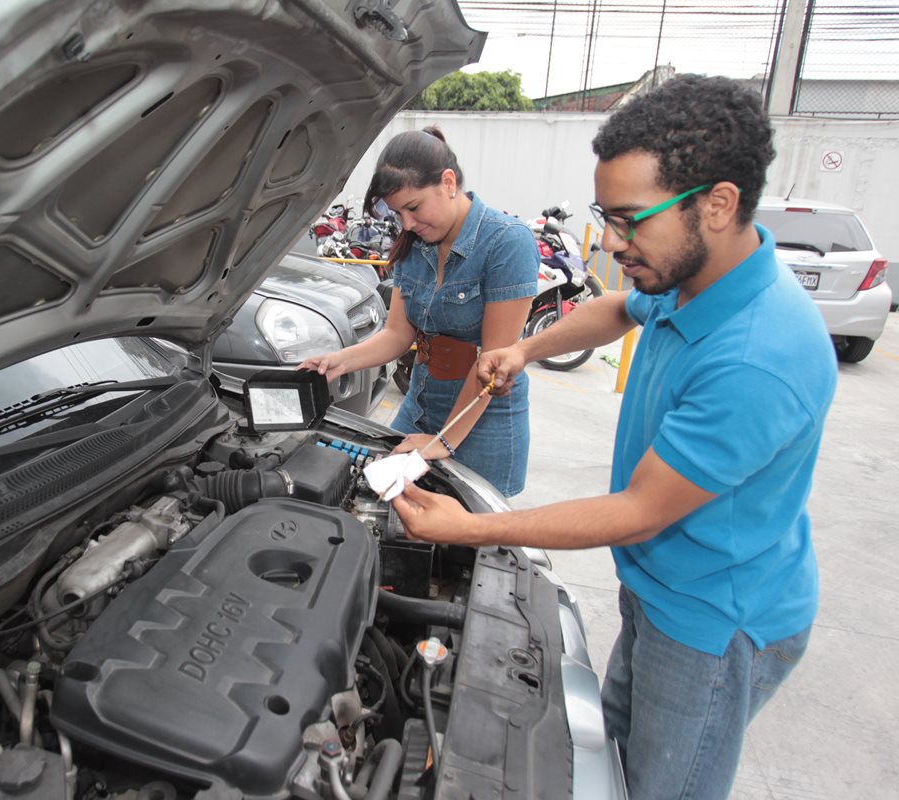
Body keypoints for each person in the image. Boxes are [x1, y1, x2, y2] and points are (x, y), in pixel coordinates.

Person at [391, 75, 837, 799]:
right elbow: (616, 309)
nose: (613, 241)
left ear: (718, 205)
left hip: (714, 624)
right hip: (661, 592)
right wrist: (526, 350)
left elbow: (638, 510)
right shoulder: (688, 275)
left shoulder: (761, 354)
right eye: (606, 216)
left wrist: (475, 527)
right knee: (613, 768)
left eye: (630, 220)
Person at [300, 127, 538, 496]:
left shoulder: (507, 243)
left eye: (413, 207)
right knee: (384, 505)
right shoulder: (415, 244)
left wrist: (442, 442)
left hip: (482, 416)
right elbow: (398, 335)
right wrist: (340, 361)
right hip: (421, 402)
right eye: (398, 213)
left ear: (448, 182)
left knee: (467, 542)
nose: (407, 224)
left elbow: (493, 362)